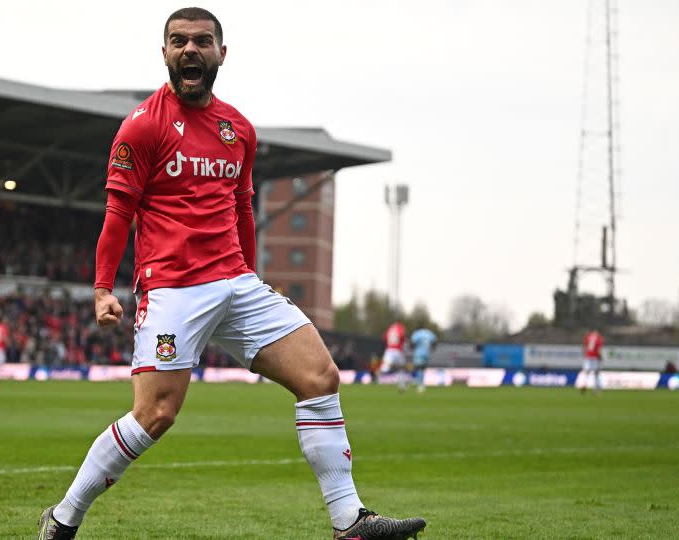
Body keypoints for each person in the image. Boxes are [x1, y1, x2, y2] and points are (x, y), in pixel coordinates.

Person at [35, 8, 426, 540]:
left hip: (236, 282)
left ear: (222, 52)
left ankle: (349, 522)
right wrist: (103, 288)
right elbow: (118, 214)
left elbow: (242, 208)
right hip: (172, 287)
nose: (189, 50)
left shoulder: (238, 128)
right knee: (155, 415)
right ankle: (63, 518)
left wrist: (251, 275)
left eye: (201, 41)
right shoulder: (143, 125)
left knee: (320, 378)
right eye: (178, 42)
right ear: (165, 53)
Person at [381, 321, 408, 392]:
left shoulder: (390, 328)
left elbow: (384, 338)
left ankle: (376, 381)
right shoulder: (400, 328)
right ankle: (402, 386)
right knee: (401, 369)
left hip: (389, 350)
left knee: (384, 368)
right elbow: (403, 337)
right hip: (397, 350)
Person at [409, 327, 437, 393]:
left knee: (418, 368)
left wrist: (412, 348)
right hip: (427, 353)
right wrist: (432, 349)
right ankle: (419, 383)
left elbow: (412, 343)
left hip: (418, 353)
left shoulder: (417, 333)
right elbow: (434, 342)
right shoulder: (429, 333)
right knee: (422, 369)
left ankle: (419, 384)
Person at [579, 328, 603, 395]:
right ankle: (595, 390)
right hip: (595, 357)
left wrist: (585, 355)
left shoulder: (588, 337)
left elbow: (585, 347)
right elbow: (599, 349)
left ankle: (583, 384)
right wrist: (600, 357)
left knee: (586, 372)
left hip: (587, 357)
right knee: (596, 373)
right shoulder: (598, 338)